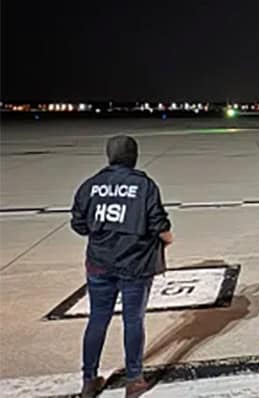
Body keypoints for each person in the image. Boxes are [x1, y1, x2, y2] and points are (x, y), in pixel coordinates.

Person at [70, 135, 173, 398]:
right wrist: (167, 239)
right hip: (135, 265)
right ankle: (134, 379)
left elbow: (79, 225)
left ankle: (89, 379)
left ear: (109, 156)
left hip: (99, 265)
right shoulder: (144, 186)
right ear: (133, 157)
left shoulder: (90, 186)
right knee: (133, 320)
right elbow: (158, 224)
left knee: (97, 319)